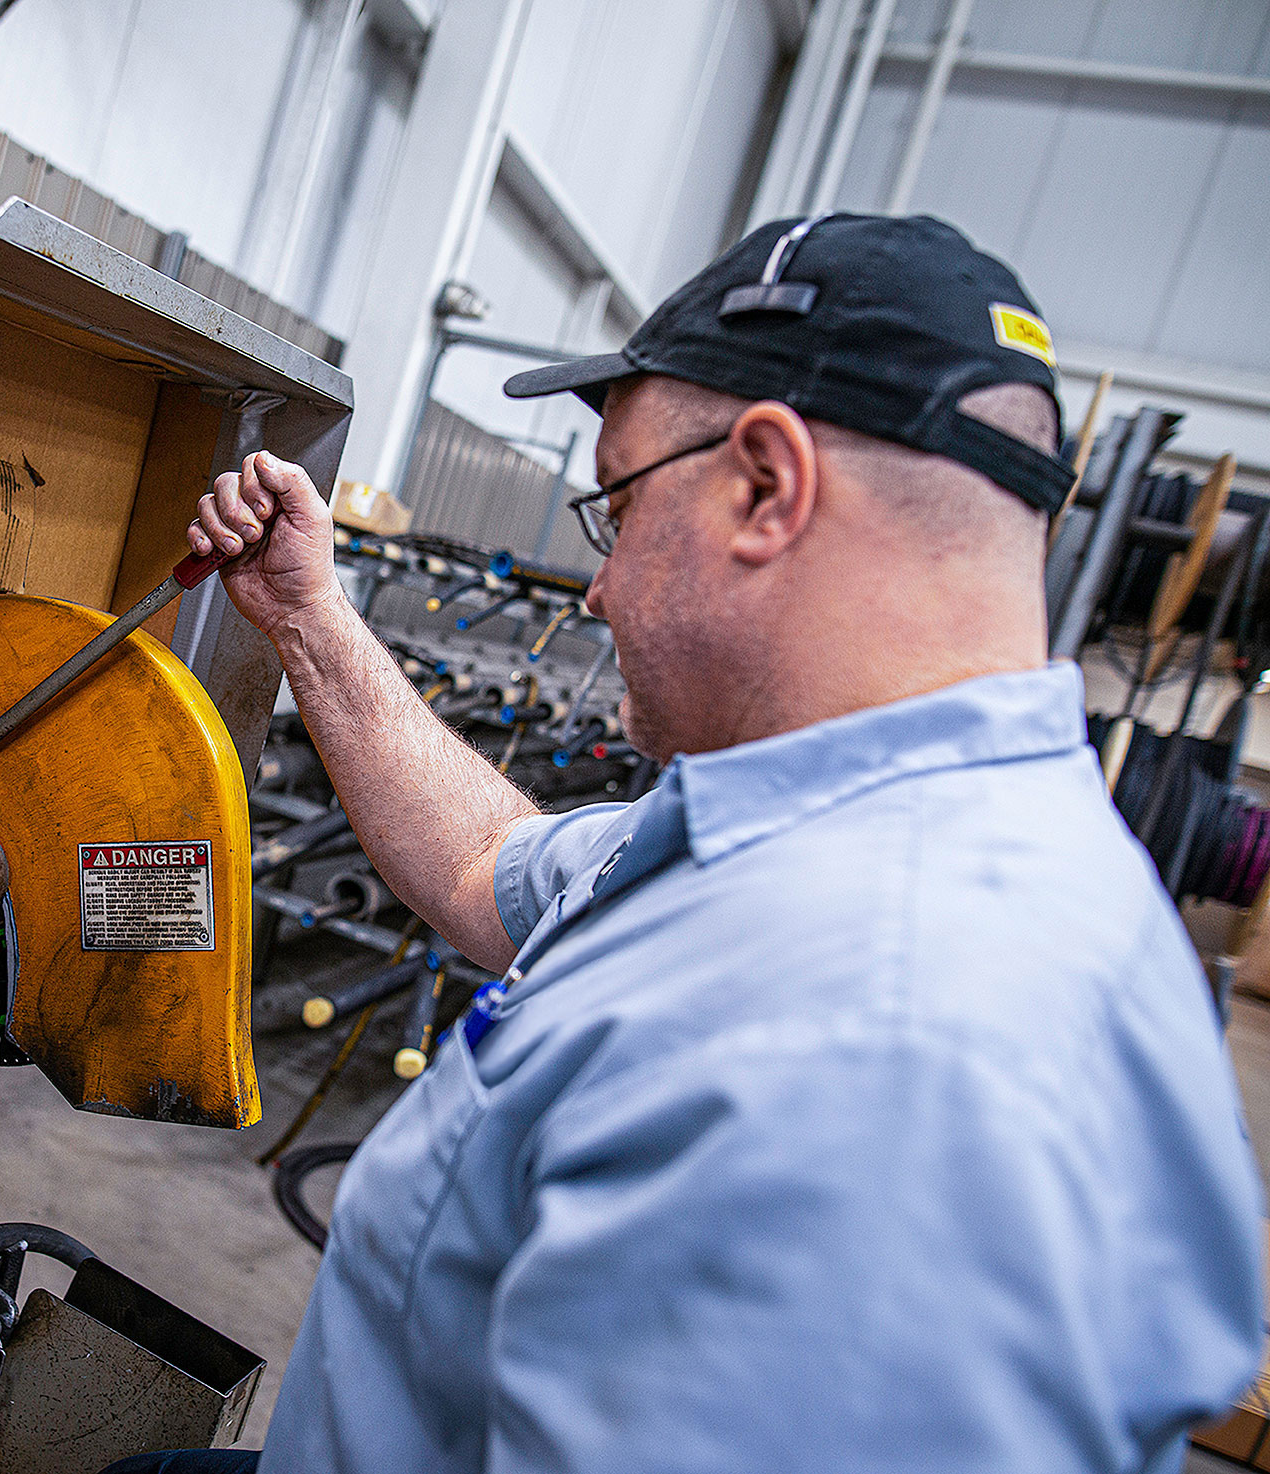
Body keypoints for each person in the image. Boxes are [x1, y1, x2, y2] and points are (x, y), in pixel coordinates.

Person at [111, 214, 1265, 1474]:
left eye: (616, 505)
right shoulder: (813, 830)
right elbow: (487, 861)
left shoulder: (884, 1045)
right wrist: (311, 618)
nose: (596, 589)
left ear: (766, 485)